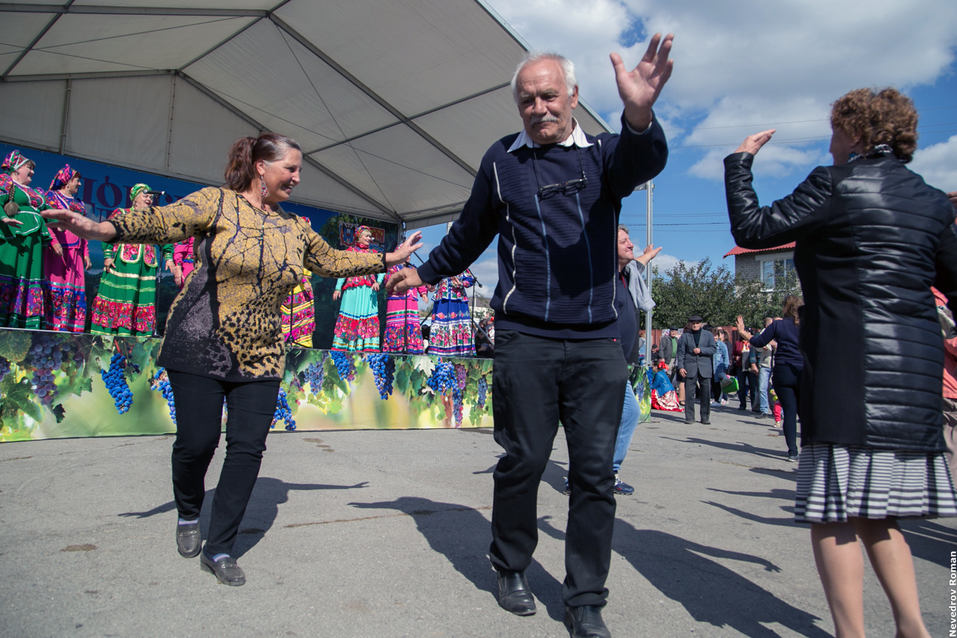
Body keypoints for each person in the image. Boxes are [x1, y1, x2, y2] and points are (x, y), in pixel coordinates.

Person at [387, 35, 673, 638]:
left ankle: (586, 599)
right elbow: (470, 231)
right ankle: (510, 564)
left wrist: (640, 113)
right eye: (527, 99)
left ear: (572, 96)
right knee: (524, 460)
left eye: (549, 96)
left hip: (598, 342)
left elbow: (644, 161)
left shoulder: (603, 154)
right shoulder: (501, 161)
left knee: (595, 475)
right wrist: (426, 270)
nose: (539, 107)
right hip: (525, 338)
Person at [43, 133, 422, 587]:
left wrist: (389, 258)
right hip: (200, 340)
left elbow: (334, 261)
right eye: (291, 169)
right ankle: (189, 510)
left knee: (247, 450)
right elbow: (163, 222)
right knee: (197, 444)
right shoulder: (216, 204)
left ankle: (220, 545)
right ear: (262, 167)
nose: (298, 178)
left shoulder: (294, 228)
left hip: (262, 352)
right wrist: (101, 229)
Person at [726, 87, 957, 637]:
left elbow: (753, 230)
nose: (830, 141)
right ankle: (912, 628)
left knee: (833, 512)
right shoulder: (929, 201)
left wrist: (739, 165)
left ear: (854, 132)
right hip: (914, 377)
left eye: (834, 130)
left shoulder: (834, 185)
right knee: (880, 514)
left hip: (847, 369)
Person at [613, 225, 662, 495]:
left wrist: (647, 257)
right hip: (606, 361)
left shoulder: (626, 275)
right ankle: (603, 473)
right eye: (624, 241)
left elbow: (635, 263)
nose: (631, 244)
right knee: (626, 413)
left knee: (604, 418)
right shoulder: (604, 279)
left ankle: (590, 474)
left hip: (620, 362)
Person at [89, 184, 174, 336]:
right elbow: (107, 233)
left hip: (145, 268)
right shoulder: (122, 213)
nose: (149, 198)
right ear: (135, 198)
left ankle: (138, 342)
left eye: (151, 196)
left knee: (142, 300)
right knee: (119, 296)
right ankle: (111, 337)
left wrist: (168, 257)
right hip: (122, 265)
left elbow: (166, 237)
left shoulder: (154, 219)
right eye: (145, 195)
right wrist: (107, 255)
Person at [735, 297, 803, 461]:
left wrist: (743, 331)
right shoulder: (809, 324)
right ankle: (811, 450)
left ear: (785, 308)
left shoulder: (778, 325)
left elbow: (758, 341)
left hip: (783, 371)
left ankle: (792, 451)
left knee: (789, 412)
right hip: (803, 370)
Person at [0, 150, 62, 328]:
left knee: (30, 277)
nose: (33, 172)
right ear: (16, 169)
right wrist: (4, 218)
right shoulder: (6, 183)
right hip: (13, 237)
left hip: (33, 242)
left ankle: (24, 324)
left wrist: (61, 228)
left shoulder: (35, 193)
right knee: (11, 275)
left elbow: (47, 213)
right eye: (29, 167)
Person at [42, 165, 91, 332]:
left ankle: (70, 330)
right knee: (56, 287)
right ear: (67, 181)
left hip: (75, 253)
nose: (79, 185)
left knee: (73, 290)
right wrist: (53, 241)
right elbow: (45, 222)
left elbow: (83, 230)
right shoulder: (51, 197)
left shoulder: (79, 204)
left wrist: (85, 253)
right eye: (77, 181)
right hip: (57, 252)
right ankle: (53, 328)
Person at [331, 226, 384, 352]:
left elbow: (382, 269)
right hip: (352, 289)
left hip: (368, 291)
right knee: (349, 315)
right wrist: (338, 288)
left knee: (368, 317)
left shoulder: (373, 254)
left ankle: (366, 349)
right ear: (359, 237)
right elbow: (343, 271)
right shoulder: (350, 252)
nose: (369, 238)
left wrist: (378, 281)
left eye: (370, 236)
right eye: (366, 236)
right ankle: (345, 348)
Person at [676, 314, 716, 425]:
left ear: (701, 324)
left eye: (697, 323)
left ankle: (705, 417)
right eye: (693, 323)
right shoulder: (685, 336)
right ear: (690, 324)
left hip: (704, 367)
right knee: (689, 393)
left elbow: (713, 349)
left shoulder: (708, 335)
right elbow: (681, 353)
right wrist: (681, 367)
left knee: (706, 393)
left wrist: (701, 350)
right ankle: (689, 417)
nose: (695, 325)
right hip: (690, 367)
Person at [382, 260, 427, 354]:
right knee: (396, 323)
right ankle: (395, 348)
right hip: (396, 300)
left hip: (410, 301)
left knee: (411, 323)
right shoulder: (392, 268)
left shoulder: (413, 268)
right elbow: (387, 280)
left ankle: (412, 347)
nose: (408, 256)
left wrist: (423, 293)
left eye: (410, 254)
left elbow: (419, 280)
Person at [430, 269, 475, 357]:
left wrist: (461, 283)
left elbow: (470, 280)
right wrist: (430, 286)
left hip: (458, 300)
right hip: (442, 299)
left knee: (459, 325)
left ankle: (461, 352)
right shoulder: (440, 266)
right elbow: (431, 279)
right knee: (440, 325)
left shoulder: (462, 266)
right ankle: (440, 353)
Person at [280, 267, 315, 348]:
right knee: (290, 318)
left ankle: (301, 345)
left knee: (303, 318)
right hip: (296, 287)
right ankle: (291, 344)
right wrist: (304, 281)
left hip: (299, 287)